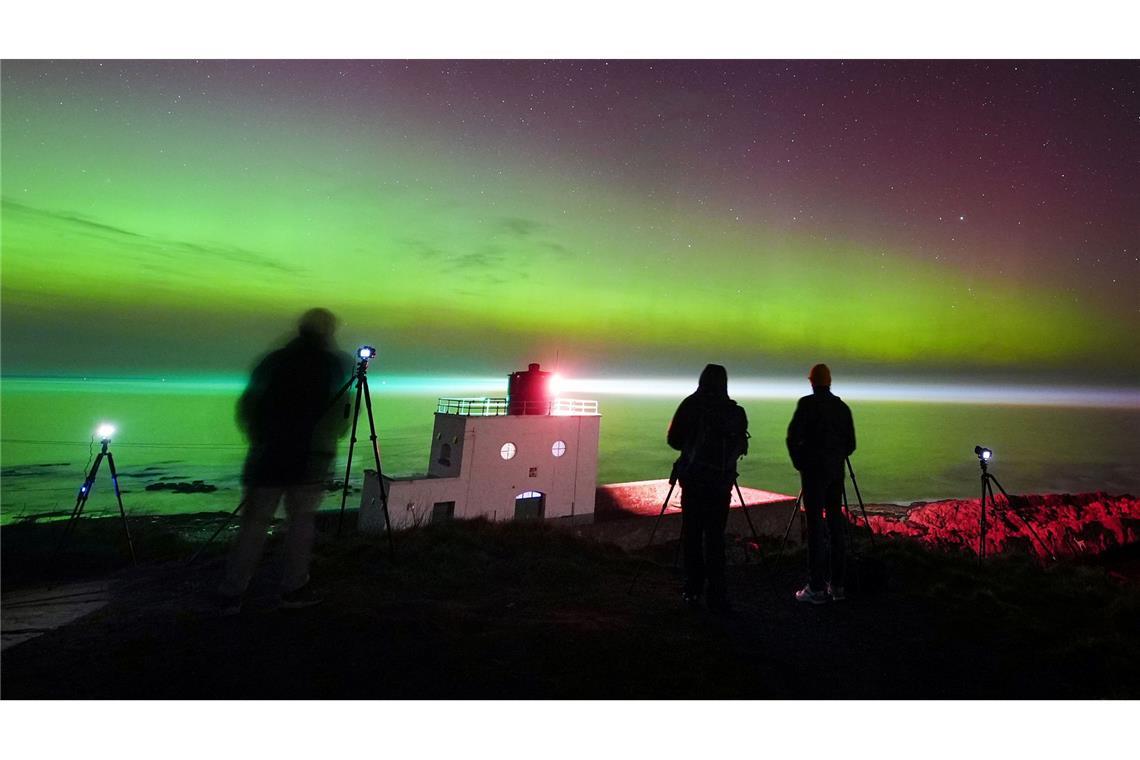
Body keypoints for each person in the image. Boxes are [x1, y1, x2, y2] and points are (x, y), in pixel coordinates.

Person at [216, 308, 353, 615]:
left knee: (253, 524)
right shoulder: (333, 366)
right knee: (300, 524)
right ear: (328, 332)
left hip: (267, 456)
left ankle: (232, 592)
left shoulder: (273, 361)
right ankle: (293, 588)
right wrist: (326, 443)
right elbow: (342, 415)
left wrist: (259, 439)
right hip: (310, 459)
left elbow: (248, 405)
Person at [667, 364, 749, 613]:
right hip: (721, 484)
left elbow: (674, 440)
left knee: (692, 534)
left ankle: (693, 589)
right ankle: (717, 595)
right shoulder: (735, 411)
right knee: (715, 537)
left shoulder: (691, 405)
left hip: (694, 481)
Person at [785, 363, 856, 604]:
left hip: (813, 473)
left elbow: (792, 438)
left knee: (815, 527)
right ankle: (837, 586)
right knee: (836, 526)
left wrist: (800, 463)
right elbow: (851, 444)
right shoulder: (842, 408)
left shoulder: (806, 404)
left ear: (812, 382)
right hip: (835, 473)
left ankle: (816, 587)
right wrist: (836, 454)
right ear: (830, 381)